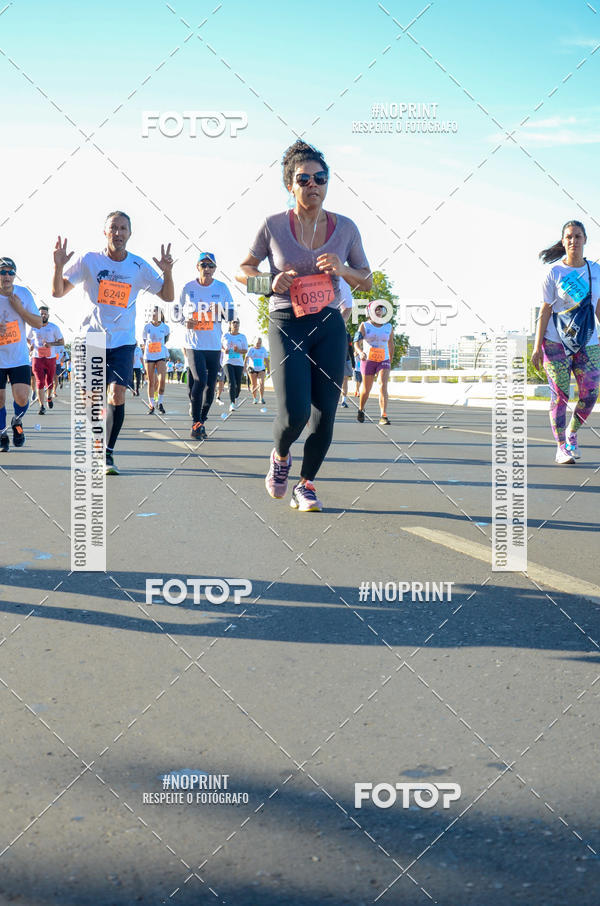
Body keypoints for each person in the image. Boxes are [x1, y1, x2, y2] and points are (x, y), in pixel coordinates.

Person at [238, 140, 371, 512]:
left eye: (320, 178)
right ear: (290, 185)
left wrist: (343, 270)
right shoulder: (273, 225)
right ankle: (280, 456)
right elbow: (243, 269)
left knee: (325, 413)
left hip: (328, 323)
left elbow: (367, 279)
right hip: (286, 321)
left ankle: (306, 484)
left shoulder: (345, 228)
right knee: (295, 411)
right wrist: (268, 282)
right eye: (304, 179)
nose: (313, 184)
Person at [52, 211, 174, 475]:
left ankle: (107, 453)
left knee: (116, 395)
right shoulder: (89, 260)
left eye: (123, 228)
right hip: (91, 338)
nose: (118, 233)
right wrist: (58, 266)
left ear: (130, 233)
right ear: (105, 231)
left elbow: (167, 295)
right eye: (113, 228)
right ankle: (97, 441)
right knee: (92, 399)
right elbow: (58, 292)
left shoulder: (138, 266)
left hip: (122, 341)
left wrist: (168, 272)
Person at [532, 219, 600, 464]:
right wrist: (536, 346)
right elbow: (545, 311)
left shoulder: (596, 270)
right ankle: (561, 446)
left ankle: (572, 433)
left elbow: (598, 309)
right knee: (560, 395)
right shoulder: (554, 272)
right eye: (569, 237)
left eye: (578, 236)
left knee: (591, 393)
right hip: (555, 342)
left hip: (587, 342)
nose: (573, 240)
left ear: (585, 240)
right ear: (563, 241)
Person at [179, 252, 235, 439]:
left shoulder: (222, 287)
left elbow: (231, 314)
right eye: (204, 265)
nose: (207, 269)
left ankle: (201, 421)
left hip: (213, 345)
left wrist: (221, 310)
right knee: (200, 381)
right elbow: (177, 312)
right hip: (194, 344)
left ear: (215, 269)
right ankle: (196, 423)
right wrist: (185, 321)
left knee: (210, 389)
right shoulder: (188, 288)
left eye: (211, 266)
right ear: (198, 267)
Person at [0, 257, 42, 452]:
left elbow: (38, 323)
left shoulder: (23, 294)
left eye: (10, 272)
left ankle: (17, 422)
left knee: (23, 397)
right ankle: (2, 434)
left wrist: (20, 310)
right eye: (2, 271)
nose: (6, 276)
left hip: (18, 357)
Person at [354, 301, 394, 426]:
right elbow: (356, 342)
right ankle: (361, 409)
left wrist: (390, 359)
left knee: (383, 384)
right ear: (370, 311)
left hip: (383, 359)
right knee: (366, 389)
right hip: (368, 359)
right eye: (376, 309)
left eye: (381, 309)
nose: (379, 311)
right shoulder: (364, 326)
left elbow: (391, 343)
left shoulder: (388, 327)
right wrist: (360, 352)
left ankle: (383, 415)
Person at [27, 304, 64, 414]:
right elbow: (28, 339)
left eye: (45, 314)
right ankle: (41, 406)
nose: (43, 315)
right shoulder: (33, 327)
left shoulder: (54, 327)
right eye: (41, 314)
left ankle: (49, 397)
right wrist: (30, 346)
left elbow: (62, 341)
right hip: (37, 358)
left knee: (49, 381)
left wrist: (50, 344)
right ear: (38, 315)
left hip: (50, 358)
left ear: (48, 315)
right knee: (40, 382)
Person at [143, 306, 170, 414]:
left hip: (160, 355)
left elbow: (167, 339)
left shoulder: (165, 327)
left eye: (156, 312)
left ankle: (160, 402)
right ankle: (151, 405)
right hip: (149, 356)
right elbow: (145, 340)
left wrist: (159, 346)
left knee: (162, 380)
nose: (154, 314)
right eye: (153, 312)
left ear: (161, 315)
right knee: (151, 381)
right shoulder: (147, 327)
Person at [222, 319, 248, 411]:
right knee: (231, 382)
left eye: (237, 322)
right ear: (230, 324)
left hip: (238, 363)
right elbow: (220, 345)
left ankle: (236, 397)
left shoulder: (242, 337)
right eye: (234, 322)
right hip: (228, 361)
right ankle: (232, 403)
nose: (235, 324)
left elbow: (245, 350)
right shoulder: (225, 335)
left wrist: (238, 351)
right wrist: (224, 350)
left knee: (238, 384)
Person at [245, 337, 269, 405]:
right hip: (252, 369)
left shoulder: (263, 349)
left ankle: (261, 398)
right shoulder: (251, 349)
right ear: (254, 343)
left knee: (261, 383)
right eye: (257, 343)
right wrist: (244, 368)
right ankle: (254, 398)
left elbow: (266, 360)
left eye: (260, 343)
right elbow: (246, 359)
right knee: (254, 384)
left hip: (261, 369)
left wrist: (268, 369)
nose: (258, 344)